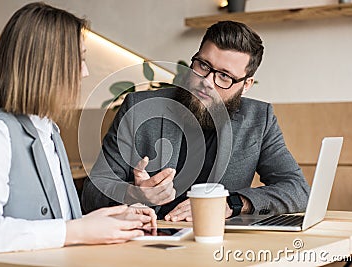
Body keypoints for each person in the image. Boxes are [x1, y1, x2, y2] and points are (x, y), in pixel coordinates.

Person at [0, 2, 156, 256]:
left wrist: (114, 218)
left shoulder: (49, 130)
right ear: (46, 65)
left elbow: (62, 222)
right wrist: (78, 231)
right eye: (80, 59)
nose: (84, 72)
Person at [81, 20, 310, 222]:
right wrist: (133, 194)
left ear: (246, 85)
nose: (207, 82)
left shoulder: (259, 119)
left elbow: (298, 189)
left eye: (224, 76)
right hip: (148, 238)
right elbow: (92, 193)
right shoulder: (138, 108)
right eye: (203, 65)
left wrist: (231, 204)